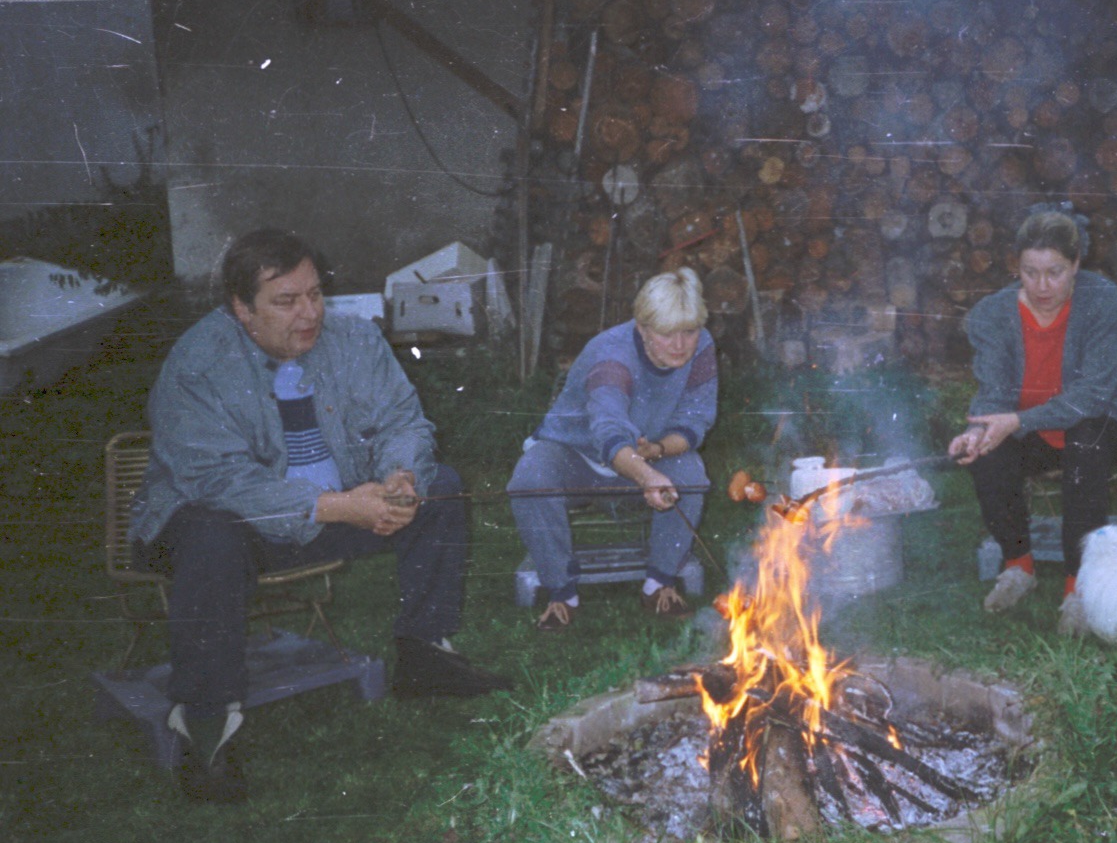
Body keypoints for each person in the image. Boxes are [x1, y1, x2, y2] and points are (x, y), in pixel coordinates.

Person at [130, 228, 513, 803]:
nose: (309, 313)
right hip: (217, 528)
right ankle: (207, 727)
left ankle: (426, 652)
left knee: (443, 488)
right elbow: (219, 482)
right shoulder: (196, 366)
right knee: (211, 535)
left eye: (314, 294)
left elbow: (403, 422)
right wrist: (340, 507)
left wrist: (399, 478)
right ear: (241, 309)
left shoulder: (354, 340)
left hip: (332, 514)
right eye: (286, 302)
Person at [948, 204, 1117, 631]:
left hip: (1108, 418)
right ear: (1016, 267)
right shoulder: (992, 314)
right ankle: (1019, 565)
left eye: (1055, 272)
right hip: (1035, 427)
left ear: (1076, 264)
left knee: (1086, 441)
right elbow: (995, 392)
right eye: (1030, 272)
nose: (1042, 286)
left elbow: (1093, 397)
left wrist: (1016, 423)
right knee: (989, 454)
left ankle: (1078, 586)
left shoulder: (1101, 300)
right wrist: (978, 430)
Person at [510, 268, 717, 631]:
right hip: (575, 453)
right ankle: (562, 593)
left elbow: (696, 419)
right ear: (643, 328)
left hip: (643, 454)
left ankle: (659, 584)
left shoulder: (702, 348)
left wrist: (656, 450)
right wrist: (647, 473)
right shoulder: (611, 354)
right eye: (668, 334)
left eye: (689, 331)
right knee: (530, 479)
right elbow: (608, 431)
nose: (681, 344)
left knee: (692, 474)